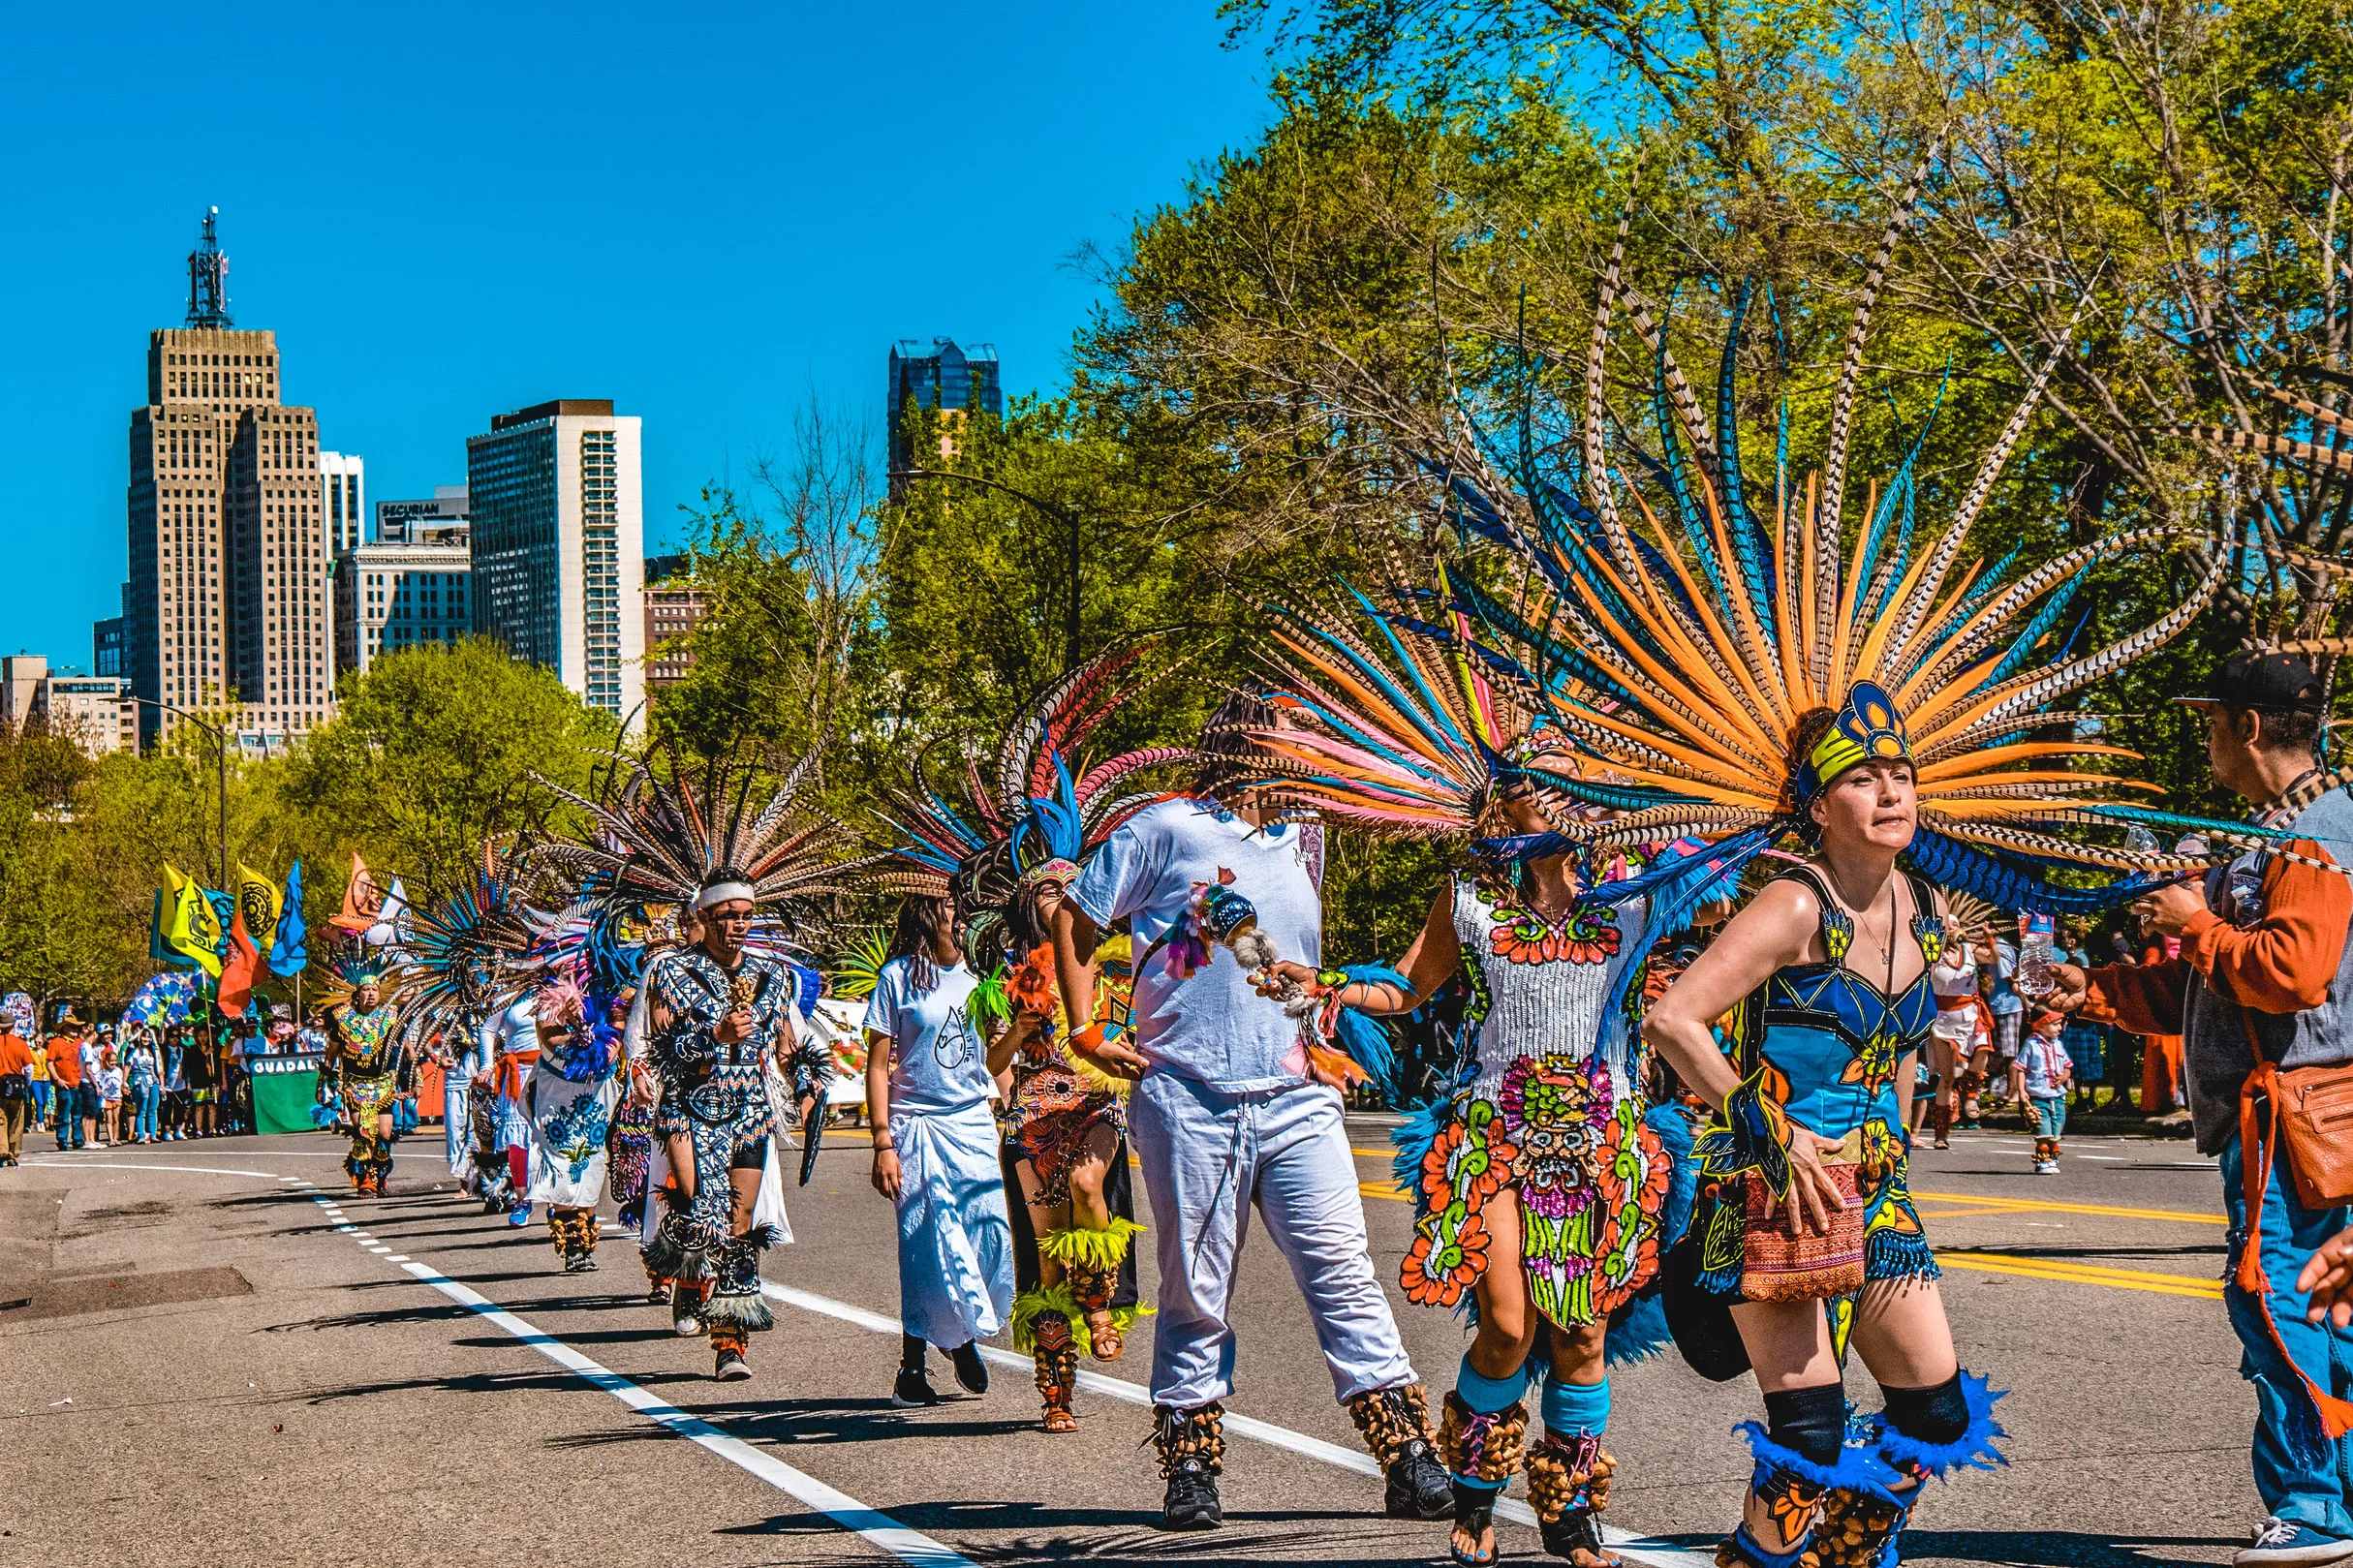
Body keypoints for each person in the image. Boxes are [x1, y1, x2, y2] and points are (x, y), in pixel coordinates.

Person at [1238, 586, 1697, 1568]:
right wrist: (1325, 987)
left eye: (1576, 779)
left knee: (1575, 1334)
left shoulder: (1630, 903)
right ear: (1507, 794)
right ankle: (1479, 1487)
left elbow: (1717, 856)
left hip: (1600, 1142)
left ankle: (1569, 1509)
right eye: (1541, 776)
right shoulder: (1472, 902)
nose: (1561, 791)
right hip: (1491, 1134)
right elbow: (1405, 990)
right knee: (1502, 1324)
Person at [1053, 693, 1453, 1532]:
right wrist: (1087, 1030)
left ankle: (1406, 1452)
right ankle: (1191, 1465)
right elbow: (1076, 917)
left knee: (1342, 1271)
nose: (1305, 748)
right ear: (1243, 743)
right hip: (1187, 1096)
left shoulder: (1303, 834)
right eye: (1289, 735)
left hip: (1297, 1093)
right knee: (1195, 1290)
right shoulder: (1162, 828)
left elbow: (1287, 958)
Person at [1646, 712, 2003, 1568]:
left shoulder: (1923, 906)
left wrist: (1900, 1139)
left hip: (1874, 1188)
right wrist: (1769, 1131)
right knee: (1805, 1437)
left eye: (1901, 776)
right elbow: (1675, 1019)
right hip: (1775, 1187)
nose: (1888, 793)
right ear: (1816, 806)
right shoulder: (1794, 902)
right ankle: (1754, 1558)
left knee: (1935, 1414)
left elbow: (1900, 1054)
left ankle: (1844, 1550)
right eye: (1860, 779)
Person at [2048, 651, 2353, 1565]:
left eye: (2211, 719)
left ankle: (2313, 1505)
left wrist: (2191, 919)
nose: (2206, 738)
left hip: (2294, 1120)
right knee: (2322, 1311)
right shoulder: (2283, 830)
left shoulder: (2316, 836)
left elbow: (2290, 974)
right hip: (2290, 1114)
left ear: (2248, 728)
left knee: (2276, 1302)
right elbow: (2214, 982)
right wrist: (2095, 989)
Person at [642, 868, 829, 1379]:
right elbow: (661, 1054)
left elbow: (791, 1045)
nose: (738, 926)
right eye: (727, 917)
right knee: (696, 1210)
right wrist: (714, 1038)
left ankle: (731, 1341)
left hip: (748, 1111)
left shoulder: (775, 976)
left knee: (740, 1223)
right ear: (704, 917)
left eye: (746, 917)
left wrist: (808, 1085)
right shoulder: (669, 972)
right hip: (688, 1108)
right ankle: (687, 1280)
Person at [865, 889, 1015, 1406]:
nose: (963, 918)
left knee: (986, 1238)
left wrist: (1018, 1032)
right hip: (916, 1125)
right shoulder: (897, 978)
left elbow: (994, 1061)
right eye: (952, 910)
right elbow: (877, 1065)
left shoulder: (984, 978)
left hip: (972, 1122)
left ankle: (961, 1333)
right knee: (926, 1245)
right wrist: (882, 1140)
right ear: (929, 919)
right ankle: (915, 1365)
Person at [323, 955, 409, 1196]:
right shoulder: (343, 1019)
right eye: (365, 989)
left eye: (374, 989)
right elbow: (332, 1052)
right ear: (357, 994)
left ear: (381, 994)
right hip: (355, 1085)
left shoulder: (391, 1017)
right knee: (364, 1130)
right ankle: (366, 1178)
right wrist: (324, 1083)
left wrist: (414, 1077)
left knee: (384, 1134)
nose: (370, 993)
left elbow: (407, 1049)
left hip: (383, 1083)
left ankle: (379, 1174)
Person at [2009, 1010, 2073, 1175]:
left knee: (2057, 1127)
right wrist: (2021, 1091)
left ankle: (2053, 1155)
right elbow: (2021, 1069)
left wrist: (2064, 1077)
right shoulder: (2031, 1045)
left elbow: (2067, 1066)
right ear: (2042, 1025)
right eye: (2056, 1024)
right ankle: (2043, 1160)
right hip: (2038, 1095)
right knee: (2043, 1127)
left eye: (2061, 1024)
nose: (2060, 1027)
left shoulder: (2058, 1044)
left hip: (2057, 1095)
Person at [46, 1016, 86, 1151]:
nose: (75, 1029)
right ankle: (62, 1140)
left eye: (76, 1027)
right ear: (65, 1028)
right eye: (72, 1026)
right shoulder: (56, 1042)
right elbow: (49, 1062)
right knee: (64, 1114)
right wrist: (57, 1079)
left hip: (79, 1082)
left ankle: (78, 1139)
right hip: (64, 1084)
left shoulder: (80, 1042)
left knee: (78, 1114)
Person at [0, 1020, 32, 1165]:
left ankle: (2, 1150)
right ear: (12, 1026)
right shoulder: (20, 1043)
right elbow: (29, 1067)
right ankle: (13, 1153)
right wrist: (27, 1084)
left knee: (1, 1119)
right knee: (16, 1120)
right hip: (16, 1083)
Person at [124, 1030, 163, 1145]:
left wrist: (162, 1084)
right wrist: (124, 1082)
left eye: (149, 1037)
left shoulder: (154, 1051)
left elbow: (160, 1069)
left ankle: (153, 1134)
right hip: (139, 1082)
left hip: (153, 1082)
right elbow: (127, 1066)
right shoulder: (135, 1051)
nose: (146, 1039)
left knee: (153, 1109)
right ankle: (141, 1135)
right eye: (144, 1037)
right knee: (142, 1109)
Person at [95, 1045, 124, 1146]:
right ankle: (111, 1139)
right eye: (111, 1061)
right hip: (107, 1098)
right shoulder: (102, 1072)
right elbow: (96, 1079)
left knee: (116, 1118)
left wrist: (124, 1088)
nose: (113, 1063)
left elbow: (121, 1082)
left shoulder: (118, 1071)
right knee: (109, 1119)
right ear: (106, 1061)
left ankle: (116, 1138)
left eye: (115, 1061)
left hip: (117, 1097)